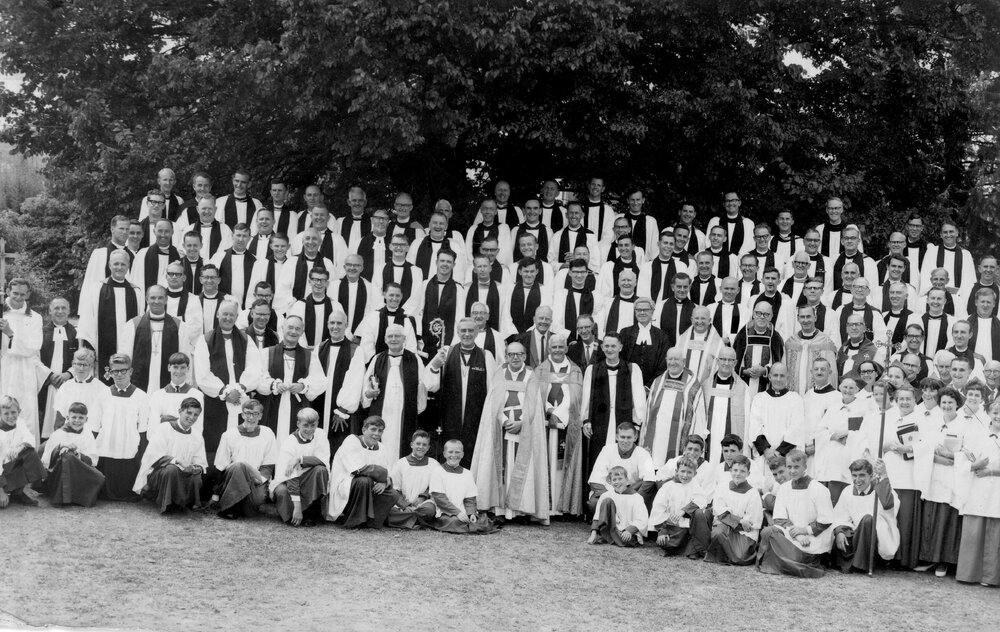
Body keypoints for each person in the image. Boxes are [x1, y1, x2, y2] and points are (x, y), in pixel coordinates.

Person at [340, 323, 427, 462]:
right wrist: (369, 394)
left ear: (404, 339)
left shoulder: (415, 359)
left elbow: (422, 386)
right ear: (385, 339)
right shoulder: (377, 359)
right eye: (390, 336)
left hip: (404, 414)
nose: (393, 339)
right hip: (382, 411)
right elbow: (366, 387)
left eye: (397, 336)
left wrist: (417, 408)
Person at [192, 300, 262, 458]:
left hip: (240, 397)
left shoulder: (245, 339)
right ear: (218, 315)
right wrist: (224, 391)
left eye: (232, 315)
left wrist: (240, 388)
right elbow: (203, 374)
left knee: (240, 443)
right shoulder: (206, 340)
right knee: (215, 442)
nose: (228, 318)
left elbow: (254, 367)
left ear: (237, 316)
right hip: (215, 399)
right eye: (225, 314)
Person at [424, 318, 497, 468]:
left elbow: (493, 390)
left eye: (471, 330)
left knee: (472, 455)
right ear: (457, 332)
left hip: (475, 419)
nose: (467, 334)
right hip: (449, 417)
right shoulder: (446, 352)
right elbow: (430, 384)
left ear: (477, 333)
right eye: (463, 330)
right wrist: (436, 366)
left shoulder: (486, 356)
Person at [914, 386, 969, 577]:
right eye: (943, 402)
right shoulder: (934, 424)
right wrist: (937, 458)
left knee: (947, 518)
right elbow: (924, 448)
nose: (946, 406)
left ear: (957, 405)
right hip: (934, 475)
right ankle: (930, 558)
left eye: (950, 403)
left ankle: (944, 562)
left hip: (952, 479)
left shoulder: (964, 426)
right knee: (931, 517)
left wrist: (951, 455)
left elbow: (967, 454)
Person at [756, 450, 835, 577]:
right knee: (768, 532)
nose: (792, 471)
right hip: (793, 535)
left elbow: (826, 520)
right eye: (789, 467)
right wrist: (797, 535)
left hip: (812, 539)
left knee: (789, 553)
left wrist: (805, 530)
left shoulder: (819, 489)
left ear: (805, 466)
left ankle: (799, 563)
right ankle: (791, 562)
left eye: (796, 467)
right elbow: (780, 518)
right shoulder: (784, 488)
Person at [327, 416, 415, 529]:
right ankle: (354, 521)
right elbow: (358, 470)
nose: (376, 434)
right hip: (346, 486)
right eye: (373, 429)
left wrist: (384, 482)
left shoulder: (382, 448)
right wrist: (381, 474)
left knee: (392, 494)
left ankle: (371, 522)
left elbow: (388, 475)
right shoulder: (352, 441)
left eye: (380, 431)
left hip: (370, 487)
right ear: (364, 430)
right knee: (364, 481)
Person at [534, 334, 585, 516]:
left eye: (560, 347)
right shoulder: (540, 370)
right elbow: (536, 394)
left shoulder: (575, 370)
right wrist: (548, 411)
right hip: (545, 421)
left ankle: (561, 507)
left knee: (562, 462)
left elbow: (576, 395)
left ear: (566, 348)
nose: (557, 350)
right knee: (546, 460)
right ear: (549, 349)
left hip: (566, 421)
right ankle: (545, 505)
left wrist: (558, 414)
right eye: (554, 347)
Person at [580, 333, 647, 470]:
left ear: (620, 347)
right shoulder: (592, 370)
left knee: (624, 460)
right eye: (606, 346)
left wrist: (637, 423)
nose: (609, 349)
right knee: (599, 459)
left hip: (623, 420)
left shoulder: (632, 369)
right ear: (602, 347)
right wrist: (586, 420)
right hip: (600, 422)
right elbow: (586, 398)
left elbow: (638, 398)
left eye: (613, 346)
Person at [78, 250, 144, 384]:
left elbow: (139, 324)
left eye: (123, 264)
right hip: (103, 351)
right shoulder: (97, 289)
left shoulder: (136, 292)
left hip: (128, 348)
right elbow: (87, 321)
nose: (119, 267)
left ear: (128, 266)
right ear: (109, 265)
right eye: (116, 264)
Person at [132, 397, 207, 513]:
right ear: (180, 411)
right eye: (189, 412)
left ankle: (187, 503)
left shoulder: (197, 436)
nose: (192, 417)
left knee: (196, 475)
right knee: (172, 470)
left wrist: (196, 467)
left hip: (184, 472)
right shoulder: (164, 428)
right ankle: (167, 504)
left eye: (196, 415)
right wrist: (177, 461)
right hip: (159, 472)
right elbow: (153, 456)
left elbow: (200, 460)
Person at [257, 315, 326, 439]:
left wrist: (303, 386)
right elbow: (258, 377)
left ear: (302, 332)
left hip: (298, 407)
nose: (293, 332)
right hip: (272, 406)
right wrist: (274, 385)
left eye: (297, 329)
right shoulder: (267, 353)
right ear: (282, 328)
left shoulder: (309, 356)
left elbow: (320, 380)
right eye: (290, 327)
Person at [91, 354, 149, 501]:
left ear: (130, 371)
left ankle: (126, 493)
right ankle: (106, 492)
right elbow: (94, 424)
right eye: (115, 371)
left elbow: (143, 427)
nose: (119, 375)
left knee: (127, 475)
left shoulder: (141, 396)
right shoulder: (103, 394)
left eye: (123, 371)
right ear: (110, 372)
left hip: (129, 445)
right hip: (107, 444)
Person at [956, 398, 1000, 586]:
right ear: (989, 413)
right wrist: (974, 465)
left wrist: (991, 471)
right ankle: (969, 574)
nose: (998, 416)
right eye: (996, 412)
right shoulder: (977, 434)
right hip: (976, 486)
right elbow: (962, 458)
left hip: (997, 487)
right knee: (974, 530)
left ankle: (991, 577)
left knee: (994, 532)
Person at [210, 399, 278, 519]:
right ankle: (229, 508)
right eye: (247, 413)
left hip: (255, 478)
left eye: (255, 414)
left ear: (261, 416)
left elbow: (269, 463)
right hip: (233, 476)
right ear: (242, 414)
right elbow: (221, 465)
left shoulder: (267, 434)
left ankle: (241, 505)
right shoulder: (229, 434)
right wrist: (215, 495)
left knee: (256, 501)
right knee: (239, 465)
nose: (251, 417)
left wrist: (260, 480)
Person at [831, 458, 900, 573]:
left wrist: (884, 475)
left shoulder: (881, 489)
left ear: (871, 475)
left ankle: (861, 564)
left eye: (862, 475)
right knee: (842, 534)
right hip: (856, 531)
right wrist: (839, 531)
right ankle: (853, 562)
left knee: (868, 520)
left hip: (877, 534)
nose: (857, 480)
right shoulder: (847, 491)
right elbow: (840, 516)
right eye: (854, 475)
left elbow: (889, 505)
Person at [881, 385, 923, 569]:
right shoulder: (888, 417)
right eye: (901, 399)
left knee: (905, 517)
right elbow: (879, 443)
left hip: (909, 474)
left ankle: (904, 558)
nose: (905, 402)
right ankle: (888, 556)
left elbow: (926, 446)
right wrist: (889, 446)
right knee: (890, 514)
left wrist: (907, 448)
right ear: (896, 401)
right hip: (891, 471)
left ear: (915, 400)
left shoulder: (921, 418)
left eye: (908, 399)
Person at [814, 377, 875, 505]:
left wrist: (848, 435)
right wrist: (832, 436)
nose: (848, 390)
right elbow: (820, 430)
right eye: (845, 387)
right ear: (840, 388)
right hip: (832, 456)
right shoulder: (834, 406)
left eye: (851, 388)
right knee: (831, 495)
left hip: (851, 453)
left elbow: (867, 430)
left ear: (857, 390)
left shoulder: (864, 407)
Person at [118, 285, 185, 395]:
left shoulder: (178, 326)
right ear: (147, 299)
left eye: (160, 298)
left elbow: (184, 357)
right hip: (139, 381)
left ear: (166, 299)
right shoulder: (133, 325)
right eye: (153, 298)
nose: (156, 301)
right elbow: (125, 356)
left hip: (169, 381)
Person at [0, 277, 44, 444]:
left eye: (22, 294)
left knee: (26, 413)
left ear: (28, 294)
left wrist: (11, 334)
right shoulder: (2, 312)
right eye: (15, 293)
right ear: (9, 292)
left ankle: (28, 458)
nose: (18, 298)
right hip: (5, 368)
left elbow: (34, 347)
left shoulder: (35, 317)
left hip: (25, 371)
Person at [746, 363, 804, 488]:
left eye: (782, 376)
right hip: (764, 457)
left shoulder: (795, 399)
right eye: (775, 375)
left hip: (786, 456)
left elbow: (796, 429)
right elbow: (755, 426)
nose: (778, 379)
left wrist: (779, 453)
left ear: (787, 377)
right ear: (770, 376)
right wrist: (766, 451)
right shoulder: (759, 398)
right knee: (763, 491)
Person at [271, 408, 330, 527]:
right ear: (298, 424)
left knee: (321, 470)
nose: (309, 429)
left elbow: (323, 460)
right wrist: (297, 507)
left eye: (313, 425)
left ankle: (311, 513)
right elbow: (289, 476)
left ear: (317, 423)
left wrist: (299, 459)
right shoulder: (290, 442)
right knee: (282, 492)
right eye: (305, 425)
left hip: (309, 479)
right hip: (289, 482)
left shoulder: (321, 434)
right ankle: (294, 513)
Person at [641, 347, 700, 468]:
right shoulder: (657, 382)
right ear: (666, 360)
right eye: (670, 359)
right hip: (656, 437)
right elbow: (647, 412)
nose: (673, 362)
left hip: (678, 437)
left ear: (684, 361)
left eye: (676, 359)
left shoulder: (692, 384)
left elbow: (699, 415)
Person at [40, 401, 104, 508]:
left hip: (80, 469)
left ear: (86, 419)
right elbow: (46, 461)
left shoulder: (88, 435)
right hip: (58, 471)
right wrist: (60, 448)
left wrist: (77, 454)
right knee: (67, 456)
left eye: (81, 418)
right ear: (67, 417)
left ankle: (75, 497)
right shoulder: (58, 434)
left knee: (100, 478)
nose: (77, 421)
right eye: (74, 417)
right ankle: (62, 497)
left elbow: (93, 460)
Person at [691, 347, 748, 463]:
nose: (726, 363)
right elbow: (699, 415)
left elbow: (746, 420)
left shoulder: (743, 388)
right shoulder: (705, 385)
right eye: (723, 359)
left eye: (730, 360)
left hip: (731, 437)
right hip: (710, 437)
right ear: (717, 361)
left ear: (735, 362)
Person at [428, 439, 498, 534]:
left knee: (472, 519)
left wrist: (471, 513)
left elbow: (470, 499)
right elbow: (440, 499)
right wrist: (457, 513)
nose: (454, 455)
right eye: (450, 452)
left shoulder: (467, 473)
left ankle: (472, 524)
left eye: (457, 452)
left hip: (463, 512)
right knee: (455, 522)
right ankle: (475, 527)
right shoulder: (438, 471)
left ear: (462, 454)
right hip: (445, 512)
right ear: (444, 454)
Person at [704, 455, 764, 565]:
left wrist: (740, 522)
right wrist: (739, 520)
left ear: (748, 474)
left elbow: (753, 519)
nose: (738, 474)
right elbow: (719, 510)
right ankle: (721, 554)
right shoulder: (722, 487)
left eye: (742, 471)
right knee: (718, 533)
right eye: (735, 470)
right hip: (726, 526)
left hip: (744, 532)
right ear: (730, 471)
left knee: (740, 557)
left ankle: (727, 554)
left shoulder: (753, 493)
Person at [586, 423, 655, 516]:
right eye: (622, 437)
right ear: (616, 437)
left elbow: (649, 481)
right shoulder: (606, 450)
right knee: (594, 504)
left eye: (629, 437)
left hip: (632, 492)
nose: (625, 441)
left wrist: (635, 499)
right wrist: (611, 497)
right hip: (610, 491)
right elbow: (596, 480)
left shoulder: (643, 454)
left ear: (635, 438)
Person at [37, 296, 79, 440]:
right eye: (56, 308)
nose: (60, 311)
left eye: (63, 308)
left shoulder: (76, 333)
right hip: (46, 382)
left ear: (69, 311)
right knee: (44, 420)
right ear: (50, 311)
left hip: (67, 383)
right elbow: (34, 357)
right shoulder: (40, 332)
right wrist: (49, 375)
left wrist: (68, 374)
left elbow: (82, 357)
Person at [416, 248, 466, 358]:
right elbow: (419, 312)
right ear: (436, 262)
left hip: (448, 345)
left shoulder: (458, 289)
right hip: (425, 344)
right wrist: (419, 339)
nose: (445, 264)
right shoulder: (425, 285)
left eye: (449, 262)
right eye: (442, 261)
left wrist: (452, 345)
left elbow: (460, 318)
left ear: (454, 265)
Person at [648, 456, 702, 555]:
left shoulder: (694, 486)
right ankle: (686, 546)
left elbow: (701, 500)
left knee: (699, 514)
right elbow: (658, 509)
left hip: (688, 524)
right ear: (676, 471)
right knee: (667, 543)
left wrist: (683, 511)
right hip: (670, 525)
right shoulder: (667, 487)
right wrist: (662, 531)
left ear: (695, 474)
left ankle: (691, 544)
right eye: (682, 471)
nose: (685, 475)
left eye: (689, 472)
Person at [0, 396, 46, 507]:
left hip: (10, 467)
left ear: (19, 412)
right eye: (6, 413)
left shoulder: (20, 423)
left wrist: (19, 447)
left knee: (30, 453)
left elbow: (29, 438)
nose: (11, 416)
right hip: (1, 473)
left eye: (13, 412)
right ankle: (6, 491)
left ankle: (20, 491)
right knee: (2, 504)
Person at [587, 465, 649, 547]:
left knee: (627, 539)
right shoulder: (606, 495)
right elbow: (597, 514)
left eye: (620, 479)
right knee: (607, 501)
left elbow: (642, 519)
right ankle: (610, 536)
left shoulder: (636, 497)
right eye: (614, 480)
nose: (617, 482)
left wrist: (629, 530)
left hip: (627, 531)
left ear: (627, 479)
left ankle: (611, 538)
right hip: (611, 528)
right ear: (610, 482)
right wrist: (593, 534)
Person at [146, 352, 204, 440]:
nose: (179, 371)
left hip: (186, 443)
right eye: (175, 367)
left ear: (188, 369)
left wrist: (166, 419)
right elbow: (152, 428)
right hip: (163, 442)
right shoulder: (158, 395)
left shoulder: (196, 395)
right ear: (169, 368)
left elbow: (197, 427)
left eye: (183, 367)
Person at [389, 430, 441, 528]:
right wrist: (404, 505)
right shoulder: (400, 464)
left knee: (429, 510)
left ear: (428, 447)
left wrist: (423, 497)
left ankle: (405, 520)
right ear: (412, 444)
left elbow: (435, 486)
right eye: (418, 443)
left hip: (423, 503)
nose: (421, 447)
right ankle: (417, 521)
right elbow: (395, 489)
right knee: (389, 512)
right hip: (404, 502)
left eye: (424, 445)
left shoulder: (434, 464)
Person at [783, 304, 839, 395]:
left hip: (817, 397)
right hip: (794, 396)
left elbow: (832, 375)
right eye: (802, 317)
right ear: (798, 319)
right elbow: (784, 372)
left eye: (808, 316)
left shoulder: (826, 343)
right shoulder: (790, 343)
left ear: (815, 318)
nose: (805, 320)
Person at [733, 300, 784, 398]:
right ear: (753, 313)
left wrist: (765, 371)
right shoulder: (743, 335)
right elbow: (734, 361)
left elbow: (779, 364)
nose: (761, 317)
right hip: (744, 385)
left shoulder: (775, 338)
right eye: (758, 313)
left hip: (765, 387)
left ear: (771, 316)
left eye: (766, 314)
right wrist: (744, 371)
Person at [131, 219, 181, 293]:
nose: (163, 235)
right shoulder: (142, 254)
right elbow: (135, 282)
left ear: (172, 232)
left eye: (167, 231)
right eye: (160, 231)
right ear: (154, 231)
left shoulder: (179, 256)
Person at [706, 192, 754, 256]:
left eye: (734, 200)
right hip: (717, 258)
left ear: (739, 203)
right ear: (724, 204)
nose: (730, 203)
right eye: (727, 201)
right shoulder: (715, 221)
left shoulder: (748, 223)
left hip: (739, 260)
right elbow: (708, 241)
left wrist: (734, 260)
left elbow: (749, 245)